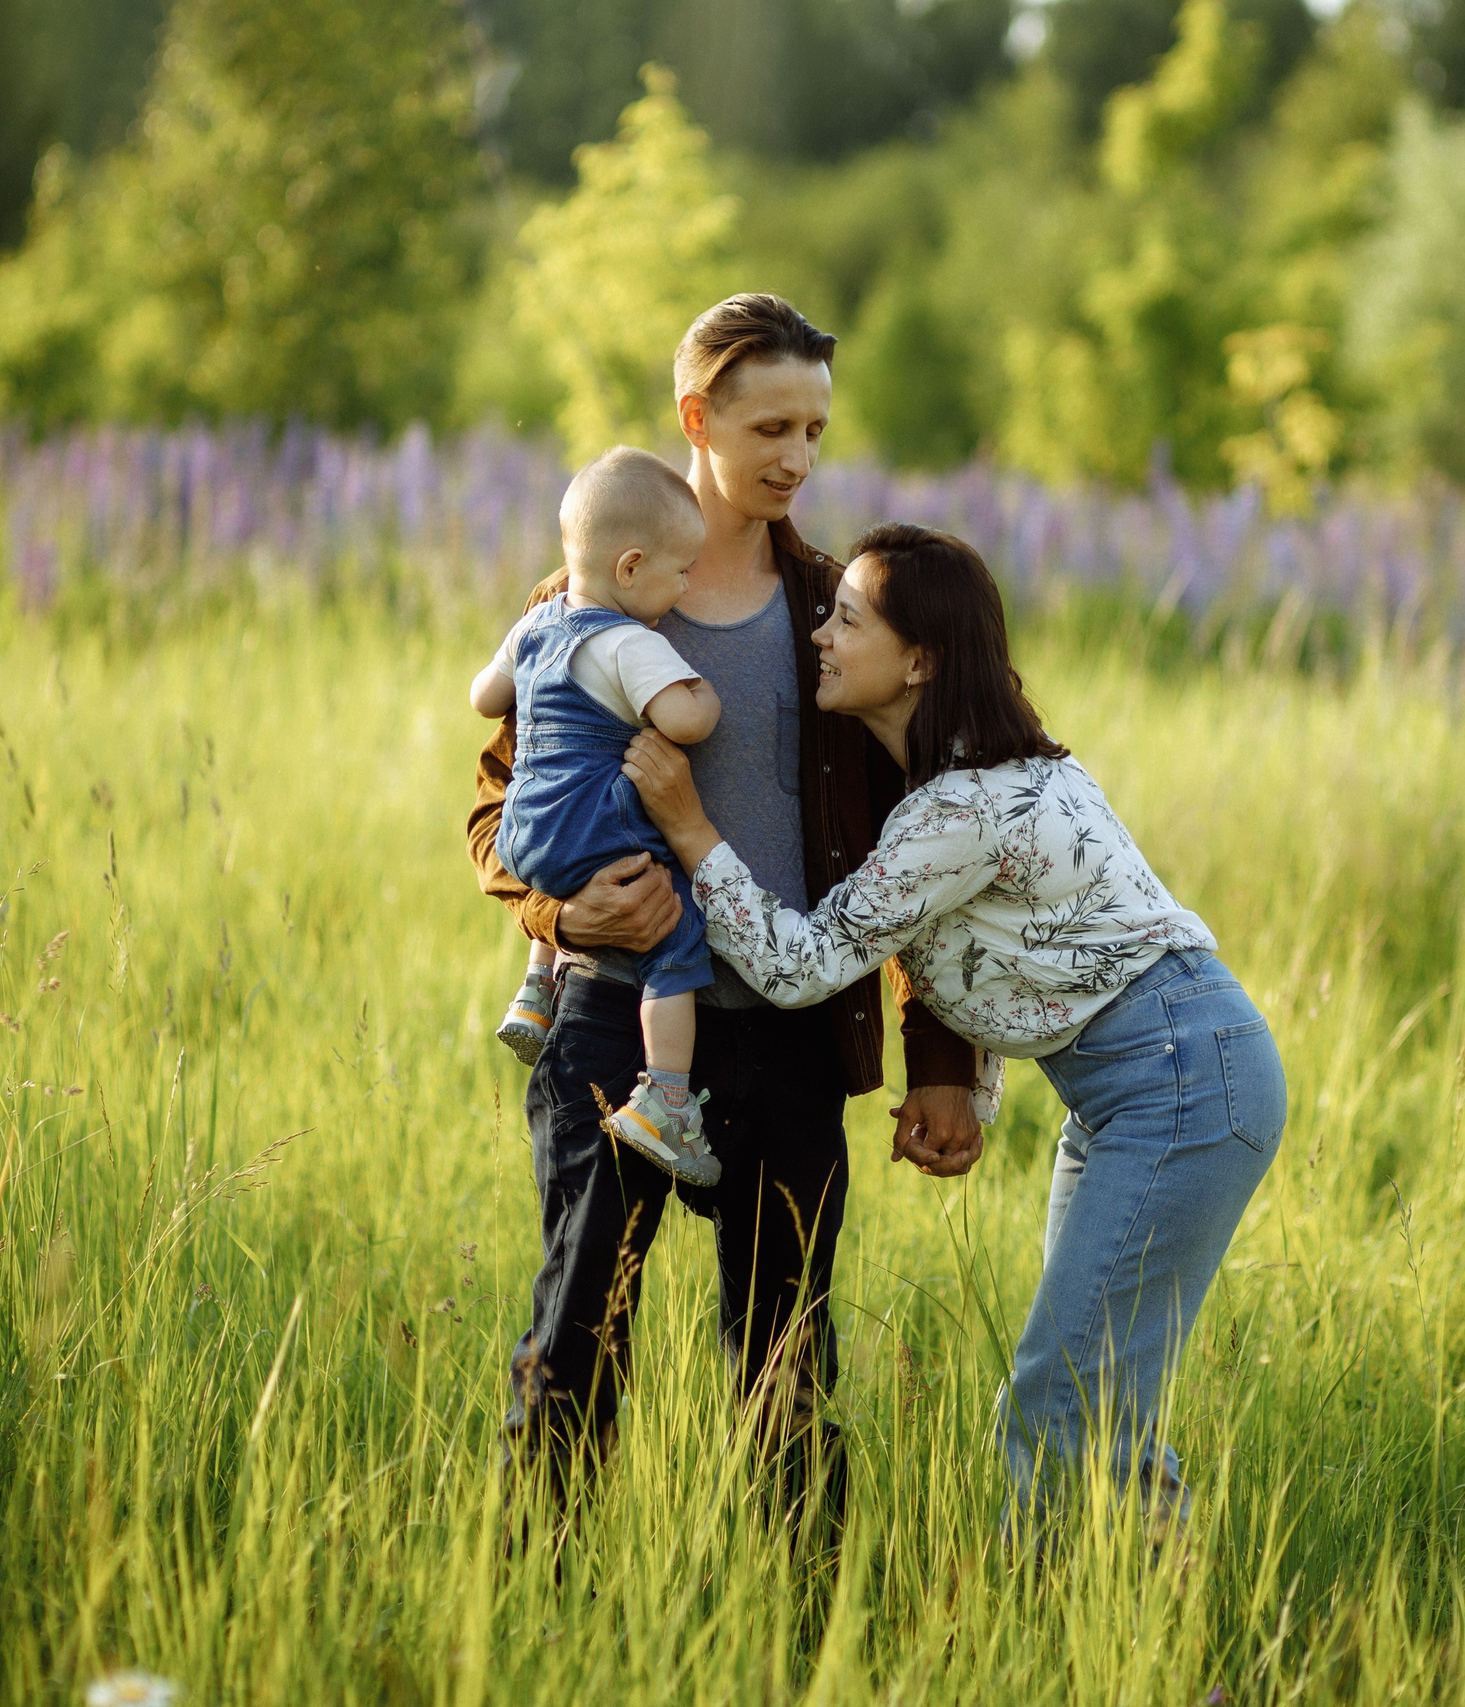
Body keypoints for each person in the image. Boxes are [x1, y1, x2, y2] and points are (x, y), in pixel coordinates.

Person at [622, 521, 1288, 1534]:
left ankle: (1150, 1650)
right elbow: (1024, 950)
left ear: (919, 661)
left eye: (846, 620)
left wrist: (689, 828)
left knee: (1069, 1409)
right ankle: (1098, 1637)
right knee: (1081, 1403)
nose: (820, 639)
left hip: (1177, 1086)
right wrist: (962, 1086)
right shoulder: (977, 780)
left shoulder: (961, 810)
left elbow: (802, 968)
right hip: (1151, 1083)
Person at [464, 296, 983, 1524]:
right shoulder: (588, 596)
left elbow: (926, 839)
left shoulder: (843, 608)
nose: (796, 458)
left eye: (813, 428)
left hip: (796, 1041)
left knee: (789, 1366)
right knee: (576, 1338)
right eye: (769, 427)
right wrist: (562, 912)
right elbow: (493, 817)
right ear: (697, 419)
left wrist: (942, 1056)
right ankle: (536, 1616)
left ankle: (804, 1636)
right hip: (615, 1033)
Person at [470, 446, 723, 1186]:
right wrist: (705, 696)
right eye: (679, 572)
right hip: (594, 827)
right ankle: (667, 1099)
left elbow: (486, 697)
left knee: (569, 873)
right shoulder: (630, 642)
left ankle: (535, 986)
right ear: (631, 567)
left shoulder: (538, 623)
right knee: (676, 939)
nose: (684, 588)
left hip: (525, 834)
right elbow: (683, 719)